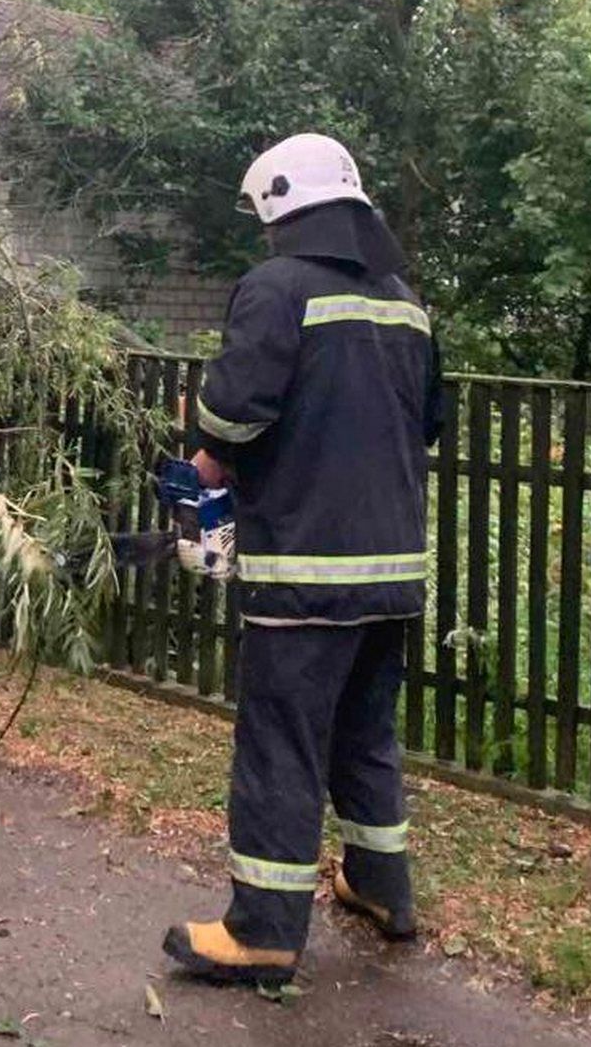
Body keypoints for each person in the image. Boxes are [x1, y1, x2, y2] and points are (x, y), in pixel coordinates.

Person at [162, 133, 441, 988]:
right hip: (394, 571)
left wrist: (206, 451)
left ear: (280, 203)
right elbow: (425, 423)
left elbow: (237, 413)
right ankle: (380, 884)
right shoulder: (404, 301)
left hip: (305, 576)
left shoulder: (277, 287)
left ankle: (265, 929)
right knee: (365, 733)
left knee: (282, 744)